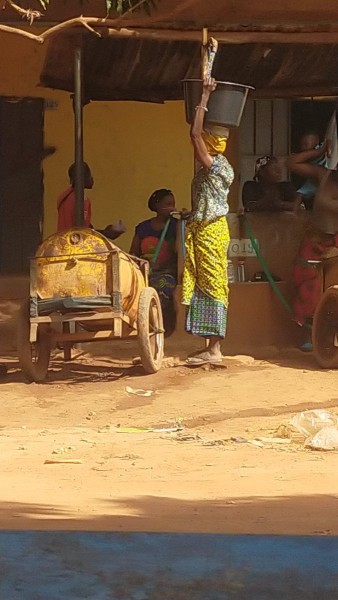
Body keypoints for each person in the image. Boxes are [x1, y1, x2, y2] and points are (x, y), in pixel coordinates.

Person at [182, 76, 234, 366]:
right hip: (202, 230)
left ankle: (215, 349)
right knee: (204, 284)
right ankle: (208, 345)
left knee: (214, 285)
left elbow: (193, 134)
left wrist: (204, 96)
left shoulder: (216, 166)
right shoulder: (213, 166)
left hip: (212, 231)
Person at [286, 140, 338, 351]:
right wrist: (316, 151)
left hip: (336, 242)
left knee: (332, 291)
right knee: (310, 288)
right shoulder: (323, 174)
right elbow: (291, 163)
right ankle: (309, 334)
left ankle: (329, 337)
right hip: (315, 240)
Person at [130, 189, 177, 336]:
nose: (172, 208)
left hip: (167, 272)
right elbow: (133, 253)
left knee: (163, 290)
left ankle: (161, 328)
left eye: (173, 204)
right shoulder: (143, 228)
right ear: (157, 206)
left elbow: (178, 253)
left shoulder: (176, 226)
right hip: (145, 273)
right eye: (168, 204)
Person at [57, 162, 126, 241]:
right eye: (89, 175)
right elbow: (80, 232)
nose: (92, 178)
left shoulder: (67, 197)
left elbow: (86, 228)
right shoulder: (78, 200)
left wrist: (105, 232)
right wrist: (107, 233)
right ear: (82, 177)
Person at [294, 131, 329, 211]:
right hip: (316, 177)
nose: (303, 147)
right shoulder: (307, 156)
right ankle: (294, 210)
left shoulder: (322, 148)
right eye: (301, 145)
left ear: (316, 142)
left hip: (328, 174)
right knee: (301, 193)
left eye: (306, 144)